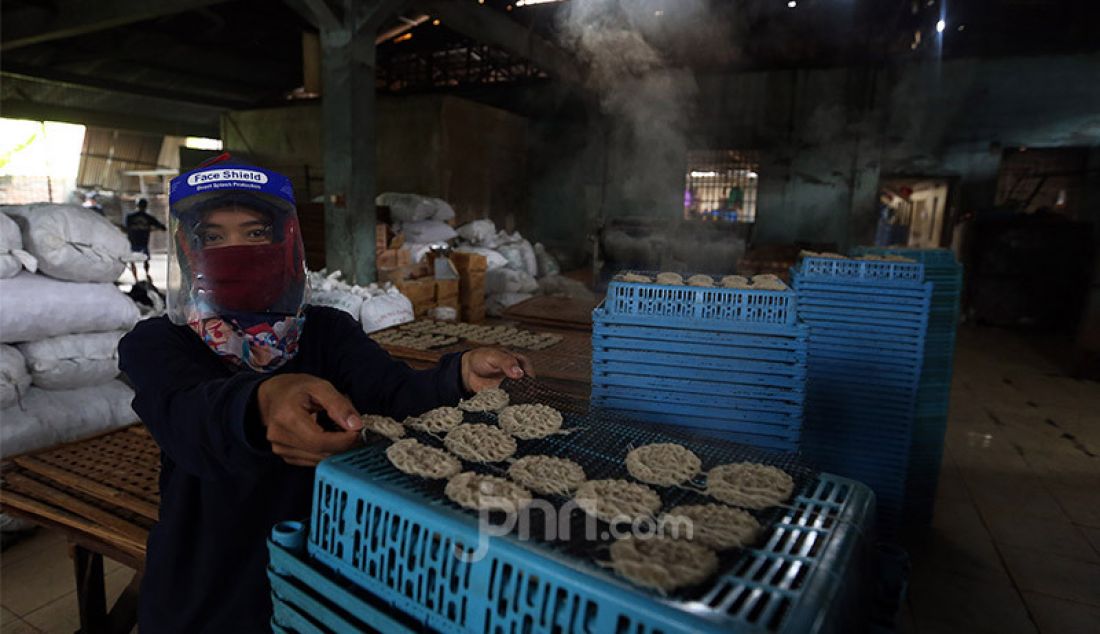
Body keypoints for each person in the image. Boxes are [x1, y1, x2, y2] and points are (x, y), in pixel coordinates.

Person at [118, 157, 533, 632]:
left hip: (325, 568)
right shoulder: (158, 344)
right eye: (213, 237)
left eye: (255, 234)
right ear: (189, 251)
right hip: (213, 589)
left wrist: (458, 374)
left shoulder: (328, 333)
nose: (235, 249)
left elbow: (396, 394)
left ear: (284, 243)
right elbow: (189, 417)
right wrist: (262, 403)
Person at [124, 198, 167, 282]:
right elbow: (163, 228)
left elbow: (126, 228)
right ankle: (146, 274)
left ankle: (135, 278)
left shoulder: (130, 217)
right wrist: (149, 228)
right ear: (146, 206)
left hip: (132, 242)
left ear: (137, 206)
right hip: (143, 242)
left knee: (132, 260)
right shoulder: (149, 218)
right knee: (146, 260)